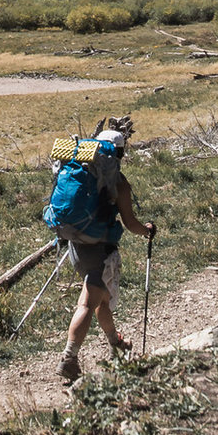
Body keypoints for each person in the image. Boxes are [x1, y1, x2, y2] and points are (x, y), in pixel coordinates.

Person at [57, 122, 156, 383]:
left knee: (101, 300)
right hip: (100, 247)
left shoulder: (79, 169)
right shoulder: (119, 182)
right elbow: (130, 223)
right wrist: (146, 230)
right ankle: (69, 357)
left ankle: (115, 344)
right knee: (88, 303)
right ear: (120, 153)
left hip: (76, 243)